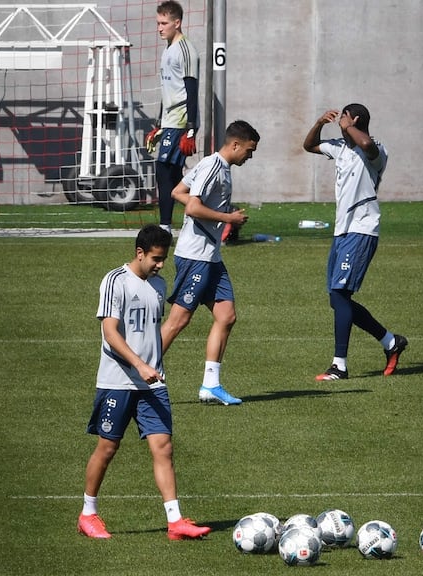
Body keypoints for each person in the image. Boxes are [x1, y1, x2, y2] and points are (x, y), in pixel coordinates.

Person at [78, 224, 211, 541]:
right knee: (108, 448)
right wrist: (139, 365)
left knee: (163, 448)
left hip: (152, 384)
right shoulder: (115, 282)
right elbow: (110, 334)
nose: (160, 264)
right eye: (156, 258)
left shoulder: (158, 284)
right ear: (139, 252)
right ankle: (88, 514)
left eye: (163, 258)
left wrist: (152, 367)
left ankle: (175, 521)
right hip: (118, 382)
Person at [302, 104, 408, 380]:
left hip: (362, 229)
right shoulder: (340, 148)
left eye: (345, 118)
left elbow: (367, 145)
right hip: (342, 231)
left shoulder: (375, 150)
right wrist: (319, 123)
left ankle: (340, 366)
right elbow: (309, 145)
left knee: (340, 295)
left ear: (355, 119)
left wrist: (349, 127)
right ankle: (390, 342)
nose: (341, 123)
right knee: (338, 299)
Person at [163, 120, 260, 406]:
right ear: (235, 144)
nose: (249, 156)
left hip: (211, 257)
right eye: (249, 150)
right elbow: (192, 206)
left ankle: (210, 385)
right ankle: (139, 372)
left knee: (226, 316)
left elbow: (177, 192)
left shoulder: (216, 167)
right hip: (195, 257)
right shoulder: (212, 167)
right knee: (179, 321)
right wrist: (228, 218)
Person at [149, 1, 200, 234]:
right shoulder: (167, 49)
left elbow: (191, 90)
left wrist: (190, 127)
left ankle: (166, 226)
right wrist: (159, 123)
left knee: (163, 170)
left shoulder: (186, 49)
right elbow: (167, 90)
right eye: (158, 23)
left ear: (177, 23)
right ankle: (204, 215)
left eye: (164, 23)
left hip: (181, 121)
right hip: (170, 121)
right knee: (172, 175)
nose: (159, 28)